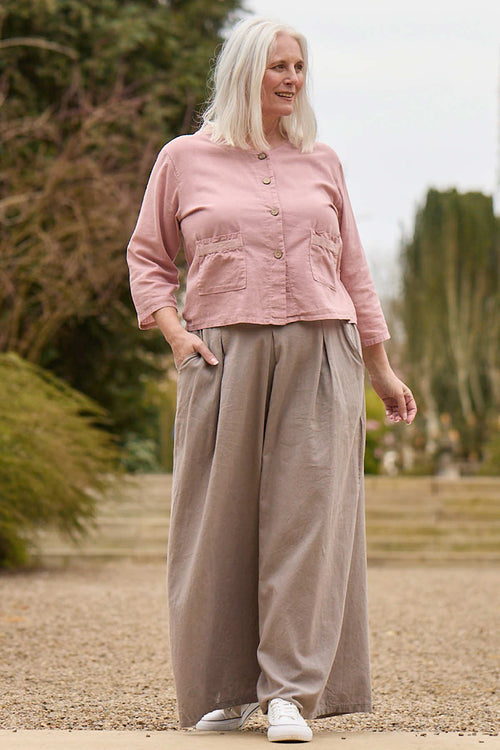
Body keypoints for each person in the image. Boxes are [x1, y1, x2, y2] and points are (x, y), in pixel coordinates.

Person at [127, 16, 417, 743]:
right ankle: (226, 688)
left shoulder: (322, 160)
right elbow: (148, 256)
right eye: (277, 66)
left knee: (308, 522)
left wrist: (381, 368)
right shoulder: (182, 158)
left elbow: (354, 268)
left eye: (299, 67)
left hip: (322, 353)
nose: (291, 79)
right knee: (215, 524)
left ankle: (290, 692)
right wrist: (177, 335)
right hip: (221, 356)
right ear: (244, 71)